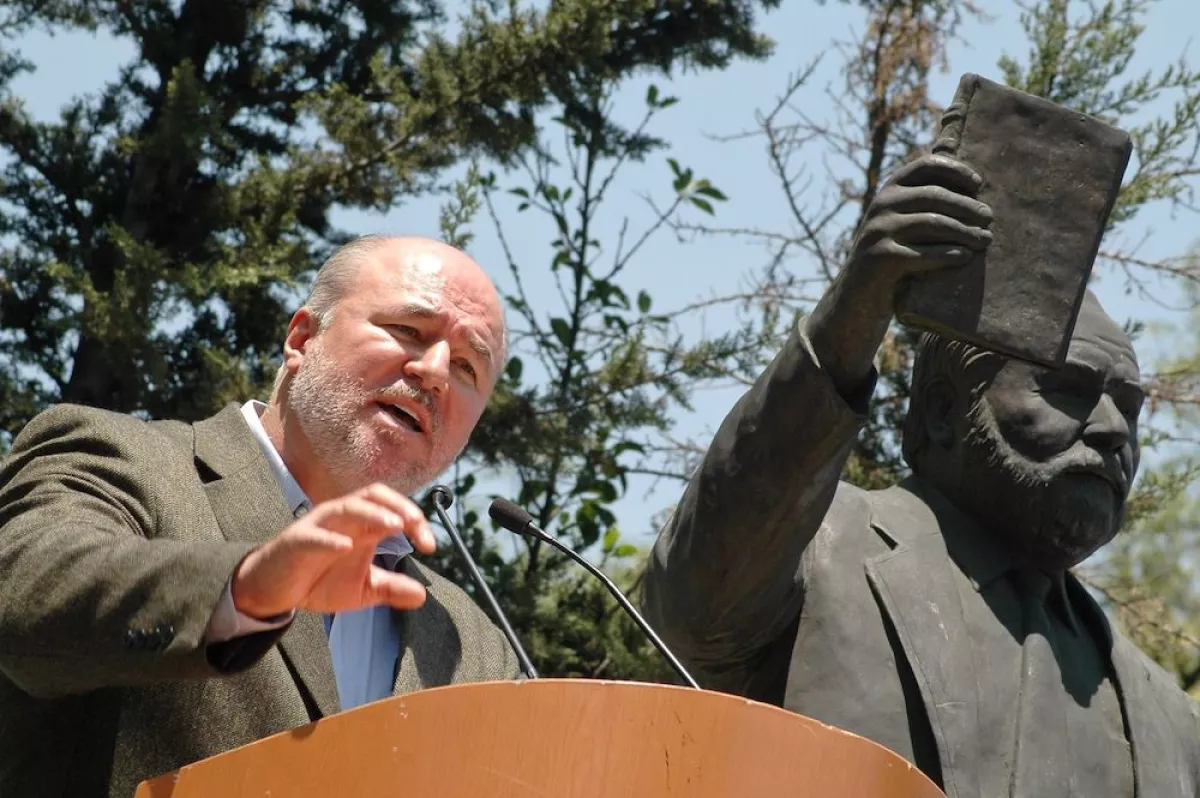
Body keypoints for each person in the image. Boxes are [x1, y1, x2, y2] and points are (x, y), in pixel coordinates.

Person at [641, 153, 1200, 797]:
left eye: (1128, 407)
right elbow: (691, 606)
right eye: (1067, 389)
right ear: (940, 411)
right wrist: (853, 312)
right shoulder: (819, 554)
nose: (1112, 428)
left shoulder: (1168, 717)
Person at [0, 235, 520, 797]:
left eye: (468, 367)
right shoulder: (118, 454)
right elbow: (25, 600)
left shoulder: (476, 647)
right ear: (302, 338)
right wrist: (248, 588)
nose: (436, 371)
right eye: (409, 331)